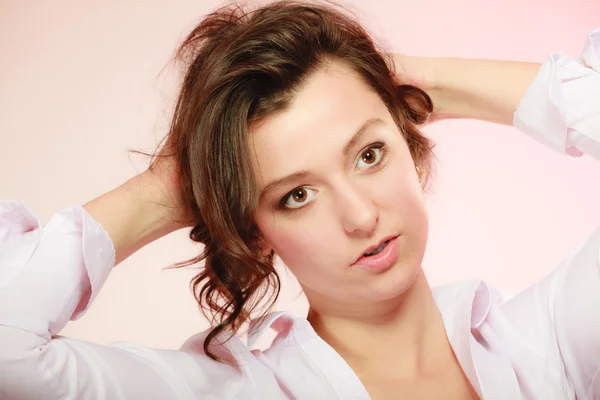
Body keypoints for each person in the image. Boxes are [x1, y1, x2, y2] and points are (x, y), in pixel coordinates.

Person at [0, 1, 598, 399]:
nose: (361, 217)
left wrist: (431, 81)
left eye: (369, 154)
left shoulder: (548, 343)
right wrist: (173, 186)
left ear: (409, 137)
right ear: (254, 228)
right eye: (297, 195)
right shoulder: (236, 392)